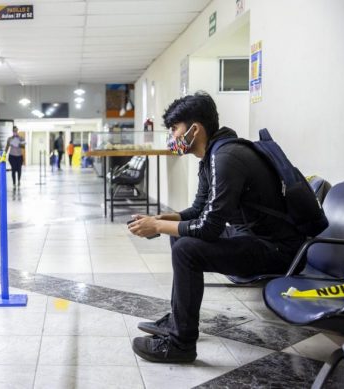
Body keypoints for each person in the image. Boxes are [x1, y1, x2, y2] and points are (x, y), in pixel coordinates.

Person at [128, 92, 305, 363]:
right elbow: (198, 210)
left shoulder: (226, 158)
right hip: (251, 237)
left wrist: (159, 226)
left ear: (194, 129)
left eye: (174, 129)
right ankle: (178, 321)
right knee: (181, 239)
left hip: (278, 249)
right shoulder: (213, 155)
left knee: (187, 249)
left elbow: (208, 228)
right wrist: (162, 218)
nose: (172, 136)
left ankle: (180, 345)